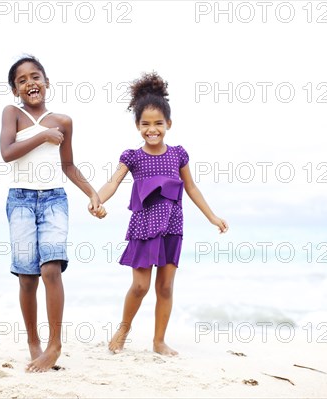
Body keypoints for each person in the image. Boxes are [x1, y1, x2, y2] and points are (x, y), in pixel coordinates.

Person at [93, 72, 228, 356]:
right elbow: (113, 182)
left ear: (168, 123)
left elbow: (191, 188)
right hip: (143, 227)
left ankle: (158, 341)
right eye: (145, 124)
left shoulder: (178, 154)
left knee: (165, 287)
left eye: (158, 123)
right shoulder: (132, 156)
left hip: (172, 227)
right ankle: (124, 328)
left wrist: (212, 217)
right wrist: (97, 198)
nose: (151, 129)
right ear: (137, 125)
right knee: (140, 287)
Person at [0, 55, 103, 372]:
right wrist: (43, 135)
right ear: (16, 90)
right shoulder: (12, 114)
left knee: (51, 270)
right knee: (28, 278)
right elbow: (6, 153)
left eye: (35, 76)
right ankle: (34, 343)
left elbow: (68, 166)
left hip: (54, 200)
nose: (30, 82)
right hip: (20, 200)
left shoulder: (64, 121)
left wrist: (93, 193)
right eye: (22, 80)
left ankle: (55, 345)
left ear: (46, 82)